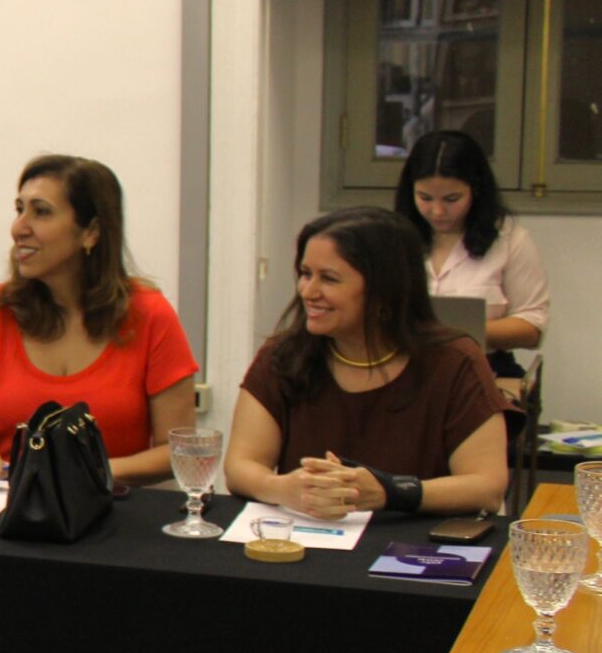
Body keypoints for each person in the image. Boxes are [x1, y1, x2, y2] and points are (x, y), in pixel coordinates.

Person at [224, 207, 508, 519]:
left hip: (413, 542)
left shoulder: (454, 362)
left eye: (329, 279)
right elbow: (240, 466)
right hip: (306, 536)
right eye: (305, 274)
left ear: (384, 288)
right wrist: (283, 489)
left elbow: (487, 488)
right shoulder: (284, 355)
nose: (308, 291)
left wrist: (391, 492)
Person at [0, 154, 199, 485]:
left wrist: (92, 473)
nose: (19, 228)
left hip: (110, 504)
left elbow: (177, 450)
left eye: (41, 212)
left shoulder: (149, 314)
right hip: (8, 500)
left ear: (91, 232)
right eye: (19, 210)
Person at [396, 129, 549, 377]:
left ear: (475, 190)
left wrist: (454, 331)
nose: (437, 211)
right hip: (403, 368)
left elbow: (532, 328)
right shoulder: (393, 236)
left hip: (483, 369)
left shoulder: (509, 239)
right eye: (425, 197)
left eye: (451, 199)